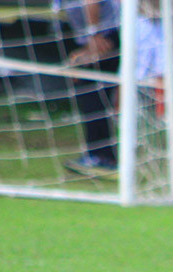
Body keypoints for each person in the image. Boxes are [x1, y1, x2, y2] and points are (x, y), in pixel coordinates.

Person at [56, 0, 121, 178]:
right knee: (91, 93)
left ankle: (102, 157)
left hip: (108, 36)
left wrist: (94, 36)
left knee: (92, 95)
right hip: (102, 35)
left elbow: (91, 2)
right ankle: (101, 156)